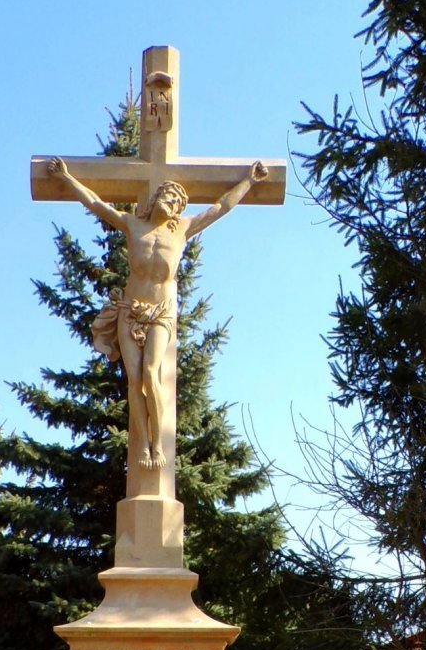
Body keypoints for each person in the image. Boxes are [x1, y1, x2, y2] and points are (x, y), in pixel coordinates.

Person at [47, 156, 269, 469]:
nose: (173, 204)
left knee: (151, 374)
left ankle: (157, 445)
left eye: (178, 202)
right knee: (134, 379)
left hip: (161, 313)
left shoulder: (182, 229)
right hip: (130, 311)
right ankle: (143, 447)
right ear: (156, 198)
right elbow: (97, 203)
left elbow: (221, 207)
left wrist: (249, 181)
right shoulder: (132, 224)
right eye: (168, 197)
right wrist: (68, 178)